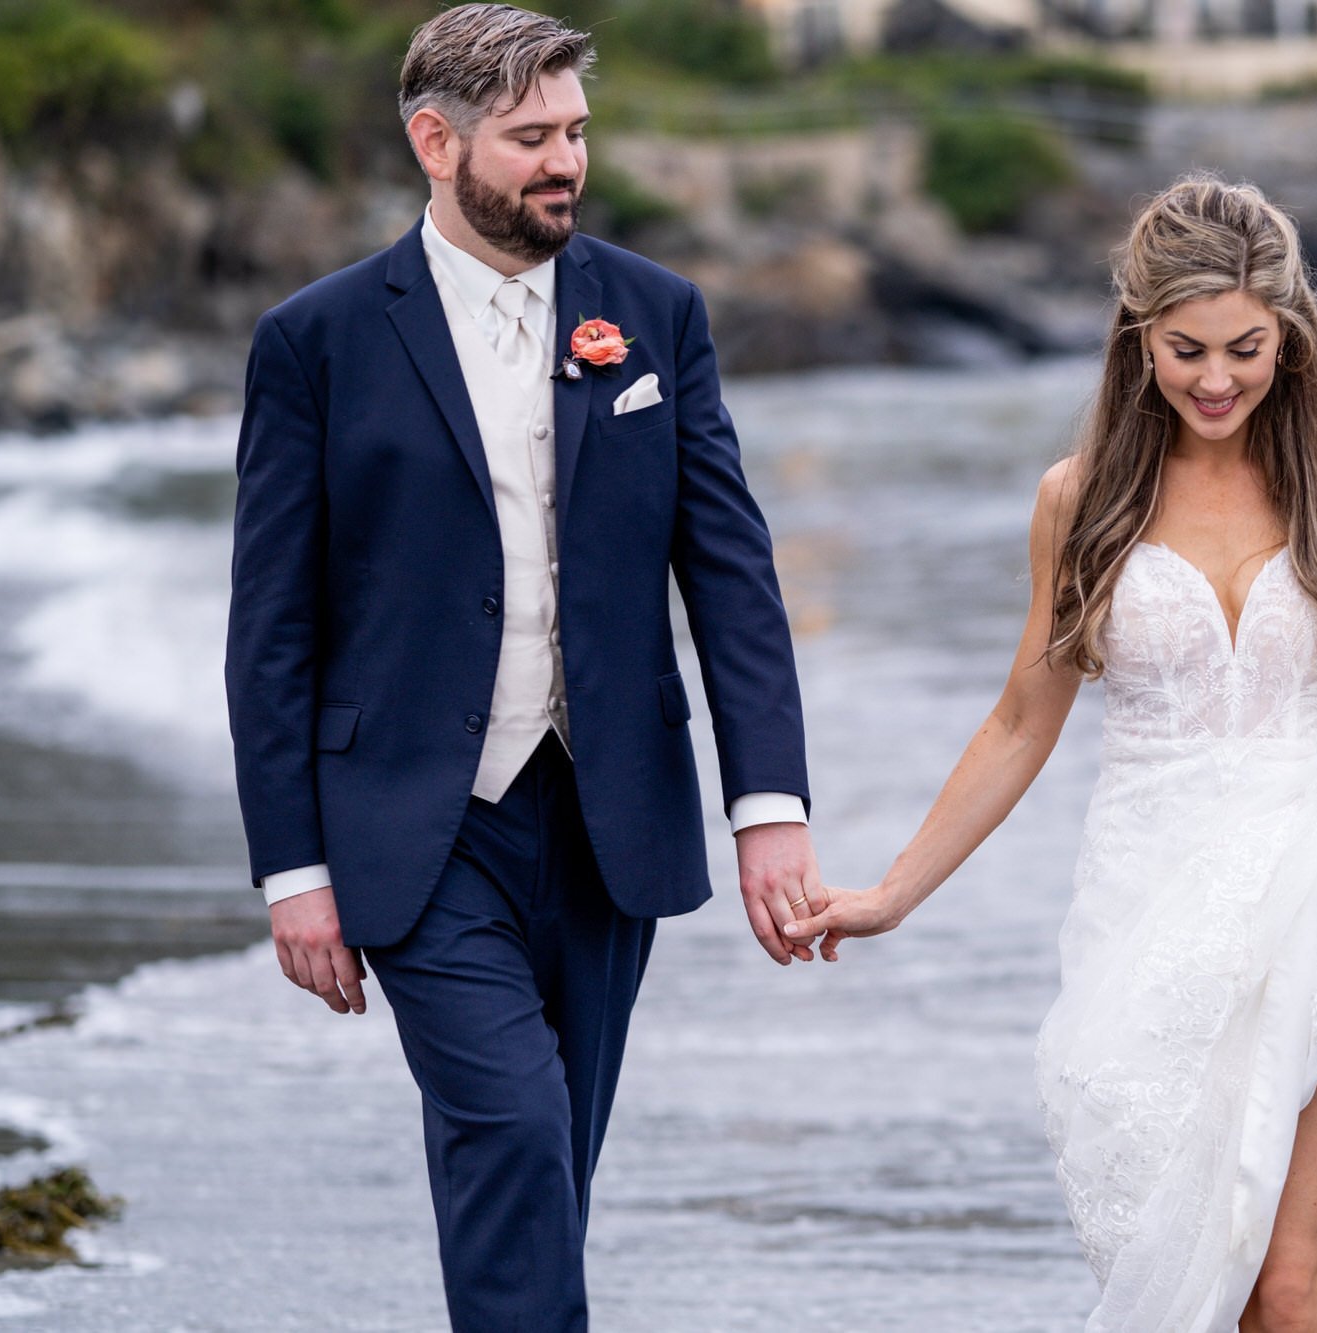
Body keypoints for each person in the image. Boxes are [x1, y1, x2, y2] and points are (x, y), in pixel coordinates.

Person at [787, 176, 1317, 1331]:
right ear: (1137, 338)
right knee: (1187, 1270)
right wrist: (889, 894)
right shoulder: (1081, 499)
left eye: (1245, 349)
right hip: (1146, 900)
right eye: (1186, 349)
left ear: (1290, 338)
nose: (1215, 379)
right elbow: (1020, 718)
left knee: (1289, 1289)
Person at [223, 7, 823, 1329]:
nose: (567, 162)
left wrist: (768, 810)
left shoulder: (654, 317)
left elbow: (728, 572)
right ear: (434, 141)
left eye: (577, 132)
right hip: (416, 827)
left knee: (549, 1161)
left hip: (614, 815)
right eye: (531, 137)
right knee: (509, 1132)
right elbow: (271, 628)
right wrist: (294, 874)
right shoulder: (315, 343)